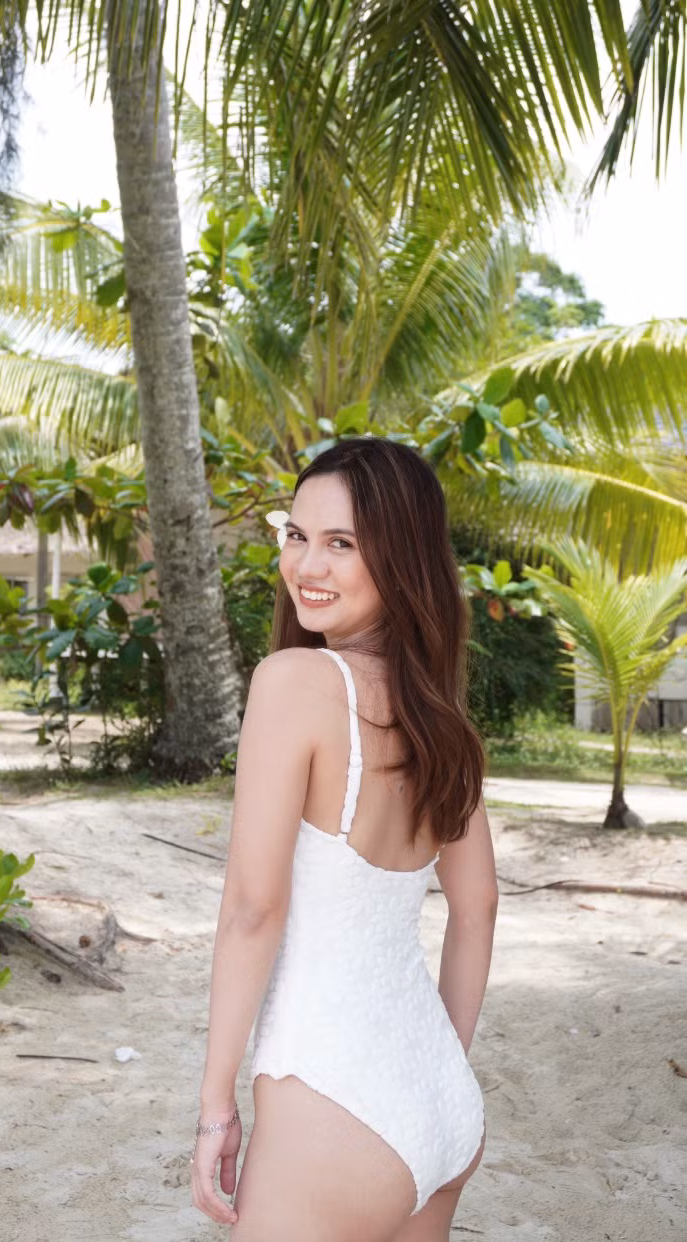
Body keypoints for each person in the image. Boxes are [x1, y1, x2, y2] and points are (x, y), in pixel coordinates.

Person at [190, 437, 498, 1241]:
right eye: (296, 536)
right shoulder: (443, 720)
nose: (306, 566)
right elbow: (477, 911)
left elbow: (253, 910)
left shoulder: (294, 682)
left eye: (342, 544)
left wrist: (216, 1105)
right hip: (439, 1095)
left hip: (333, 1101)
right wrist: (436, 1072)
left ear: (402, 559)